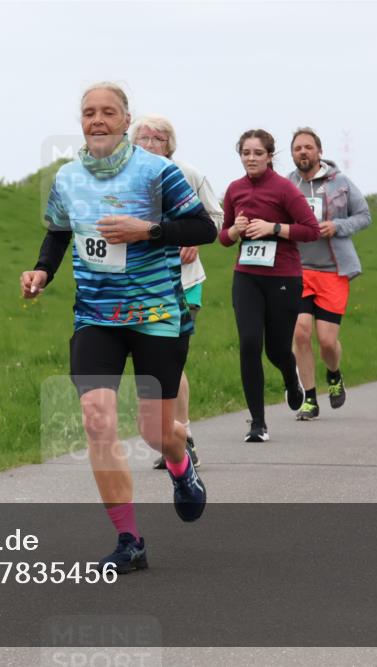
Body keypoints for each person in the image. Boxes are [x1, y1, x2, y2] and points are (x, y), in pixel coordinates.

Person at [20, 83, 216, 573]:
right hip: (95, 319)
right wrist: (42, 271)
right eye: (89, 113)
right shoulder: (66, 177)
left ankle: (181, 465)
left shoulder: (157, 172)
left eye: (108, 112)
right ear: (81, 121)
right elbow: (60, 230)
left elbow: (202, 229)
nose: (98, 120)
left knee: (155, 433)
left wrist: (146, 230)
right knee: (97, 420)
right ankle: (129, 539)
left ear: (126, 120)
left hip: (156, 318)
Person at [130, 114, 224, 469]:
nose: (149, 144)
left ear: (169, 145)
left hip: (183, 281)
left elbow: (214, 219)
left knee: (170, 360)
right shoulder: (125, 179)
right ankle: (169, 435)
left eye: (157, 139)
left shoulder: (188, 174)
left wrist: (194, 241)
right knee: (150, 365)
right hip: (139, 285)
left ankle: (182, 435)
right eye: (143, 138)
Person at [219, 129, 320, 442]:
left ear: (269, 156)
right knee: (249, 344)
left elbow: (311, 230)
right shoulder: (234, 190)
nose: (251, 158)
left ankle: (291, 378)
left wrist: (274, 228)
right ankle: (258, 423)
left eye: (257, 153)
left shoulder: (285, 189)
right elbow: (222, 238)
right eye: (245, 153)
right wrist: (235, 231)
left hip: (283, 278)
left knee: (277, 351)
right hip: (246, 276)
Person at [287, 128, 371, 421]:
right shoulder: (287, 185)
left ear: (319, 151)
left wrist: (338, 227)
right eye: (297, 148)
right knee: (300, 332)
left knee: (326, 341)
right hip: (298, 269)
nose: (303, 152)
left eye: (308, 147)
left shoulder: (341, 183)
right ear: (292, 153)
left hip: (334, 270)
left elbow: (364, 216)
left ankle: (334, 374)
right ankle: (309, 398)